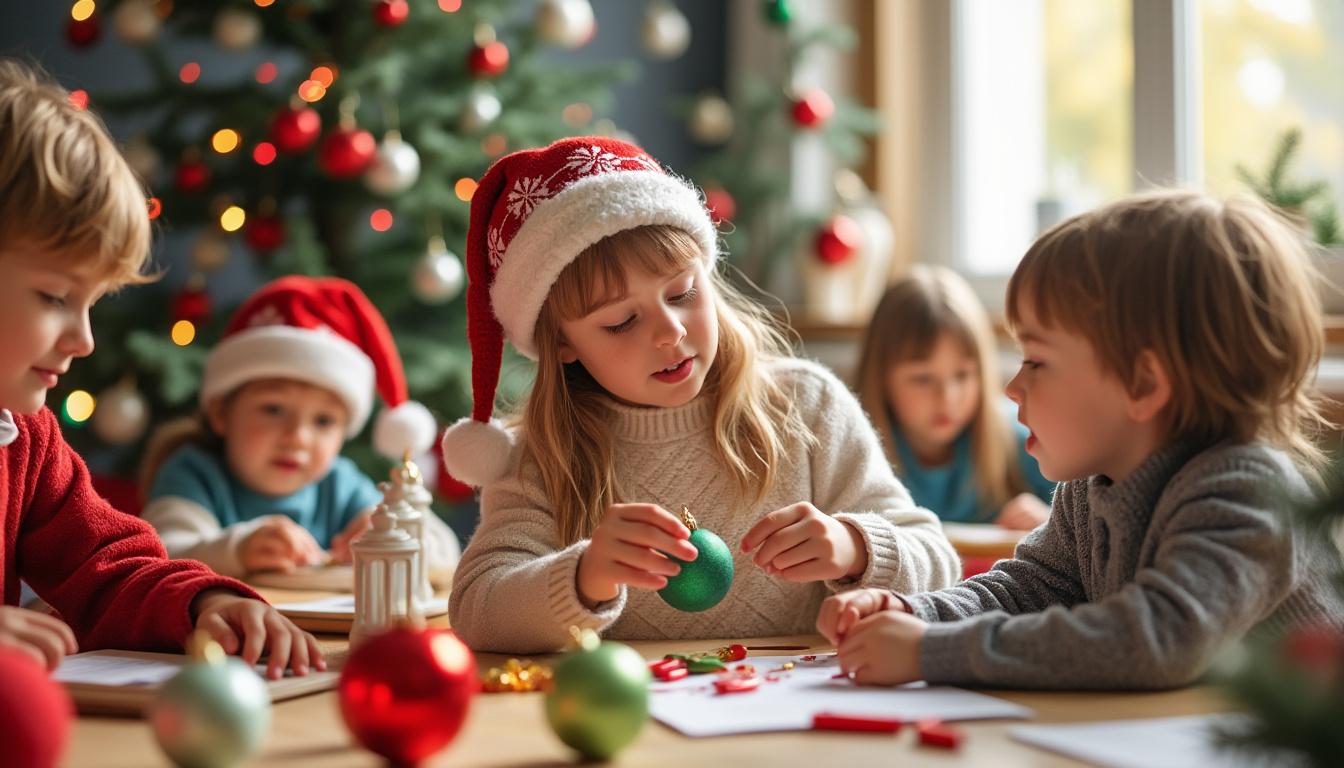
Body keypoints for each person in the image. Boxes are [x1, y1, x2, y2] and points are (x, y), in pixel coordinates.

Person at [440, 137, 960, 653]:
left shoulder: (809, 407)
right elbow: (476, 607)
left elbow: (940, 564)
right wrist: (583, 575)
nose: (669, 332)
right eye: (621, 322)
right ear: (562, 344)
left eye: (682, 293)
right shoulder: (540, 455)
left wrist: (856, 547)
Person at [818, 190, 1344, 689]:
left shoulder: (1246, 492)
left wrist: (930, 651)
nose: (1010, 387)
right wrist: (915, 613)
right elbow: (1026, 592)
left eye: (1036, 361)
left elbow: (1154, 640)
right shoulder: (1091, 487)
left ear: (1143, 384)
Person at [0, 58, 319, 676]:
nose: (84, 339)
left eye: (92, 304)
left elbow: (109, 564)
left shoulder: (25, 441)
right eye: (54, 297)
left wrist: (206, 602)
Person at [141, 276, 460, 578]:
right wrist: (238, 549)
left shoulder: (341, 484)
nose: (298, 437)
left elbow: (446, 555)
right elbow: (160, 556)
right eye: (274, 409)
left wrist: (393, 534)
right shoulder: (193, 474)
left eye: (323, 421)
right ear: (221, 413)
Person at [854, 265, 1054, 528]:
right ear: (880, 377)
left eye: (963, 375)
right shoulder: (856, 455)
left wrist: (1049, 522)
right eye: (922, 379)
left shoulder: (1024, 439)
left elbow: (1083, 526)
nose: (947, 399)